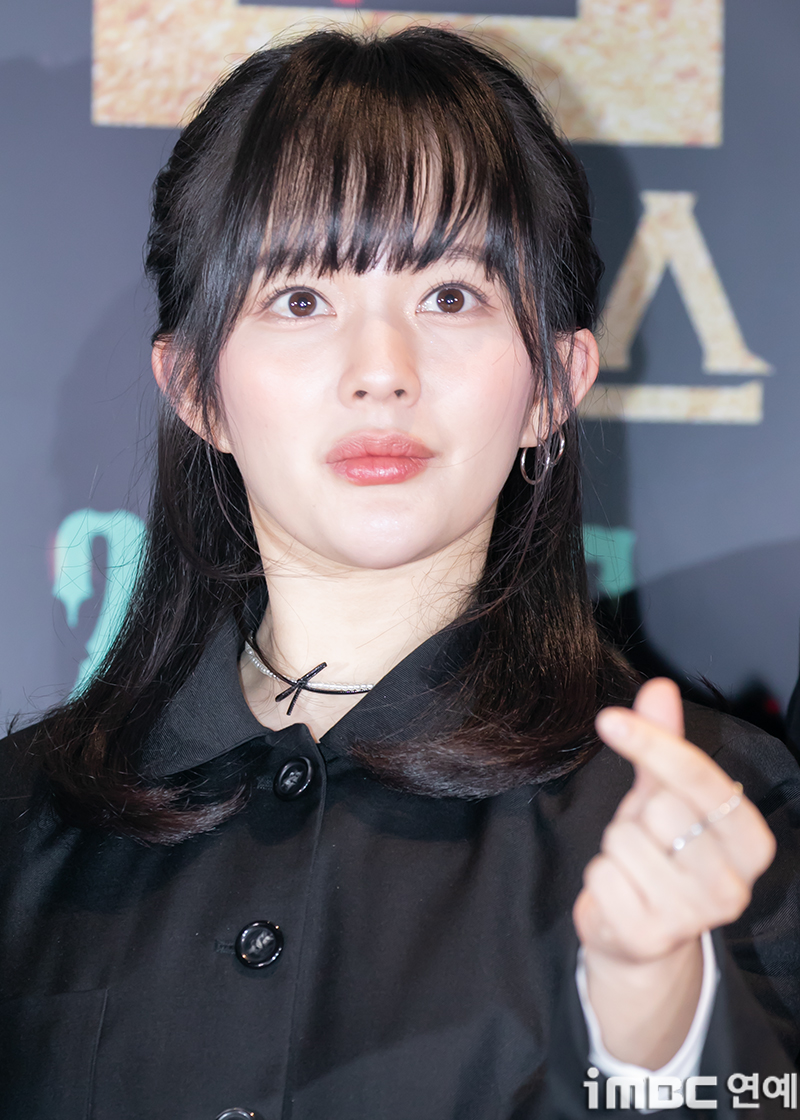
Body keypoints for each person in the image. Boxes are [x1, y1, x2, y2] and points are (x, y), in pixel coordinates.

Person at [0, 26, 798, 1120]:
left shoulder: (715, 818)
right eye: (300, 300)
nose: (381, 373)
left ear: (553, 384)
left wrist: (659, 1026)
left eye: (451, 297)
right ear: (193, 389)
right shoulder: (25, 820)